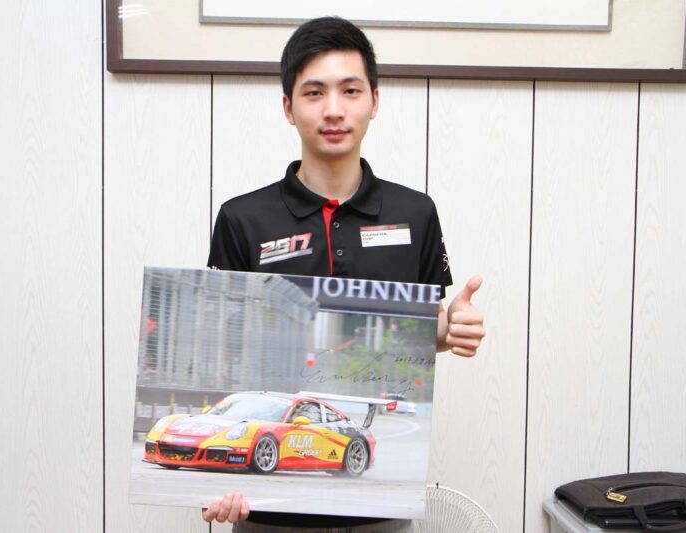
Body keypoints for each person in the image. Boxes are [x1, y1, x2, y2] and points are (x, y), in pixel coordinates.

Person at [203, 16, 485, 532]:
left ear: (374, 100)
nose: (333, 109)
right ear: (288, 107)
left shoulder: (415, 213)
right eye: (314, 92)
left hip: (380, 515)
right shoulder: (243, 219)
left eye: (350, 90)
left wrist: (448, 330)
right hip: (269, 513)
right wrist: (211, 480)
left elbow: (418, 335)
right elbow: (224, 358)